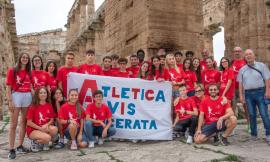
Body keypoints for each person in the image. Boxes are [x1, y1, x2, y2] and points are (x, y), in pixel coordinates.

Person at [238, 49, 270, 143]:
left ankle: (268, 134)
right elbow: (240, 84)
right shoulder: (242, 69)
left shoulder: (261, 66)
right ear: (245, 57)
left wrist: (268, 91)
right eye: (246, 54)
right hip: (248, 95)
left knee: (264, 114)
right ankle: (254, 134)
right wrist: (241, 95)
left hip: (260, 92)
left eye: (250, 54)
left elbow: (267, 79)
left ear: (253, 55)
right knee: (251, 114)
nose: (248, 56)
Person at [6, 53, 32, 159]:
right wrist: (10, 101)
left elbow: (31, 86)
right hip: (16, 95)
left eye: (27, 58)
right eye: (23, 57)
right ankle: (11, 148)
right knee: (13, 124)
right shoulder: (13, 70)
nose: (25, 59)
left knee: (23, 122)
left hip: (27, 95)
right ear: (20, 58)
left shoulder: (29, 72)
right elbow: (8, 86)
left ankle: (20, 145)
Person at [26, 87, 58, 152]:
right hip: (33, 130)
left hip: (44, 127)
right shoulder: (33, 106)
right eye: (41, 93)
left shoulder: (49, 105)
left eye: (44, 93)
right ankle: (35, 142)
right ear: (37, 94)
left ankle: (44, 143)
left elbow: (52, 119)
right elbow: (29, 122)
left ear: (47, 94)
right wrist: (40, 128)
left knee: (55, 129)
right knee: (48, 138)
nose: (43, 94)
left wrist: (46, 124)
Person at [231, 47, 249, 131]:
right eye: (235, 51)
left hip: (244, 88)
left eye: (238, 51)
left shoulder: (245, 62)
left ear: (241, 52)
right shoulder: (231, 63)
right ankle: (232, 128)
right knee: (232, 109)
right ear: (233, 53)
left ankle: (249, 126)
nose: (237, 53)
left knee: (246, 107)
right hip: (234, 89)